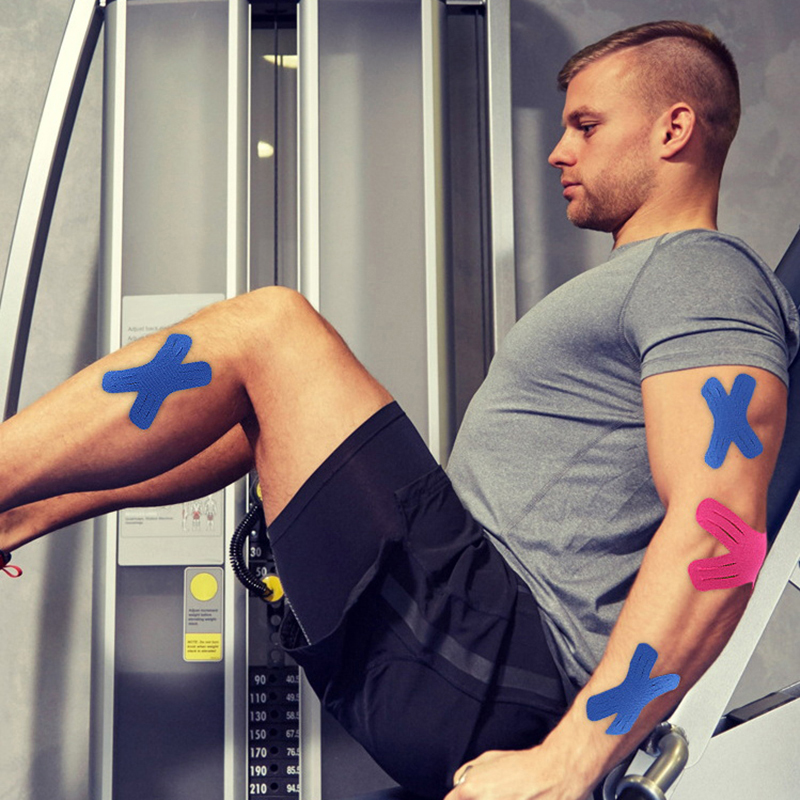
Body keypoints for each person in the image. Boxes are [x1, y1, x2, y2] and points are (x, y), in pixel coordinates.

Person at [0, 19, 797, 800]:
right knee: (266, 402)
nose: (560, 150)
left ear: (673, 130)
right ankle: (16, 509)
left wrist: (570, 761)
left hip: (500, 661)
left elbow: (723, 528)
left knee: (270, 330)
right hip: (463, 651)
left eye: (586, 126)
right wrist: (35, 512)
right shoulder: (650, 281)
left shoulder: (704, 274)